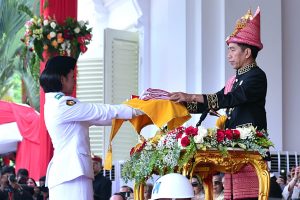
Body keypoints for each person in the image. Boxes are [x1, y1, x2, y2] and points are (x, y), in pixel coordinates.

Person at [169, 7, 266, 200]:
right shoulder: (235, 79)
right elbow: (214, 102)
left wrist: (191, 96)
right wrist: (182, 105)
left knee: (246, 195)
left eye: (232, 50)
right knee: (231, 194)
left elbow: (230, 99)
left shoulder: (256, 76)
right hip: (234, 150)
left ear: (247, 52)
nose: (229, 55)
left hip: (248, 149)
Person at [40, 56, 144, 200]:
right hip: (72, 173)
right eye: (72, 76)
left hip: (68, 172)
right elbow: (99, 111)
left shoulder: (55, 103)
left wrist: (132, 112)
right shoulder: (63, 104)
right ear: (62, 79)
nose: (74, 80)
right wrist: (139, 108)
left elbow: (101, 117)